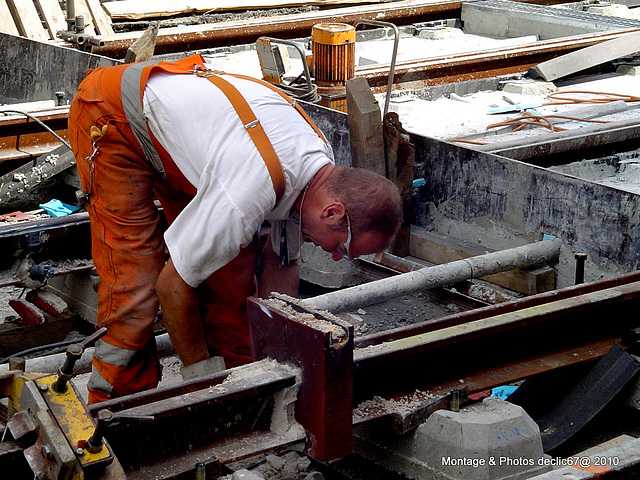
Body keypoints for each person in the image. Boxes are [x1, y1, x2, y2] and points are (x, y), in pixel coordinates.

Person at [68, 53, 402, 404]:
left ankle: (242, 385)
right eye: (343, 248)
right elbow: (172, 285)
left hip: (197, 139)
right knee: (135, 285)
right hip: (115, 117)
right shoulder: (248, 191)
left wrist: (276, 358)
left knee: (233, 275)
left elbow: (282, 264)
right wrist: (202, 380)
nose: (335, 257)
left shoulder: (318, 174)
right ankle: (116, 410)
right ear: (334, 213)